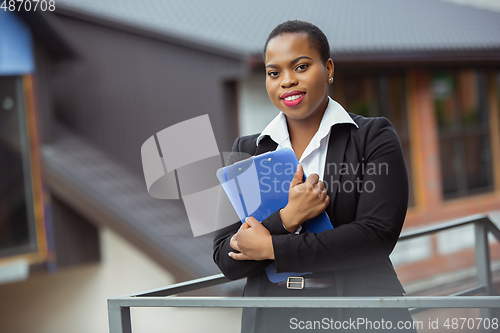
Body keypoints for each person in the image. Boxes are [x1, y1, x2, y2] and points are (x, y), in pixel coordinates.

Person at [213, 20, 416, 333]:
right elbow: (225, 257)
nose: (287, 81)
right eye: (274, 72)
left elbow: (376, 236)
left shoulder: (372, 137)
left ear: (329, 68)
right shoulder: (247, 149)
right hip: (273, 316)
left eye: (301, 66)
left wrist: (272, 249)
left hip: (359, 311)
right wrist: (286, 219)